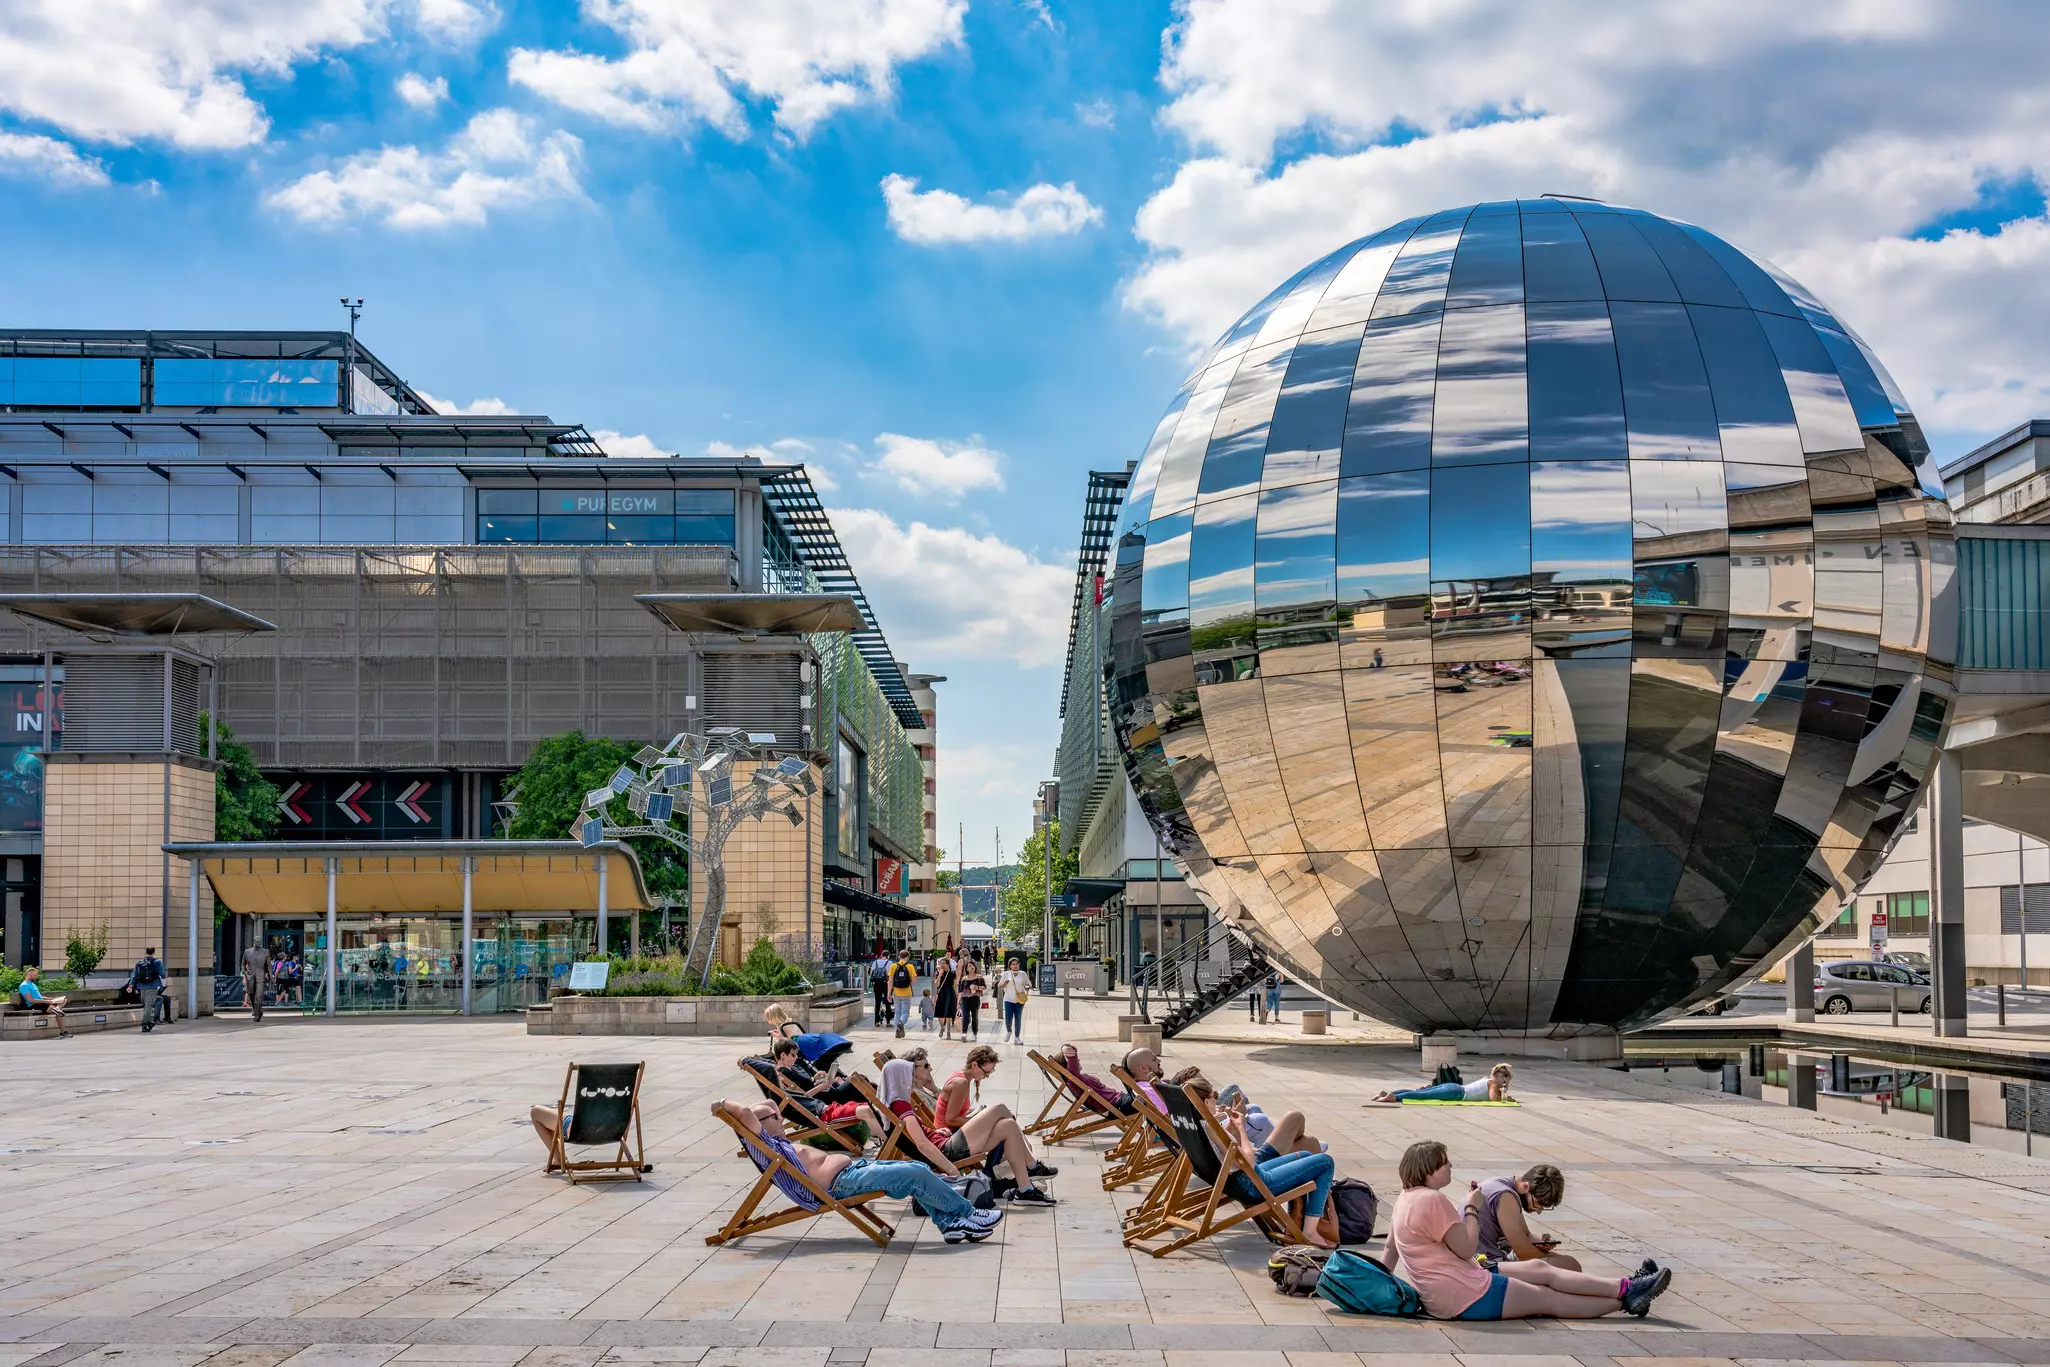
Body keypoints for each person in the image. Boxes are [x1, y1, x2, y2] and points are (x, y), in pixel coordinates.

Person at [1388, 1139, 1669, 1320]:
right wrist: (1473, 1208)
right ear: (1429, 1171)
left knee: (1542, 1272)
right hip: (1465, 1294)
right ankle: (1626, 1300)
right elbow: (1466, 1250)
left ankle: (1627, 1286)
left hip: (1452, 1289)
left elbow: (1391, 1249)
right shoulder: (1432, 1199)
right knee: (1548, 1299)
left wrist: (1382, 1285)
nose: (1450, 1166)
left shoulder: (1405, 1198)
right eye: (1445, 1163)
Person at [713, 1097, 1003, 1243]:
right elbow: (749, 1113)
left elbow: (764, 1105)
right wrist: (721, 1105)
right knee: (915, 1174)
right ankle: (965, 1213)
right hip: (841, 1185)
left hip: (853, 1172)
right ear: (760, 1124)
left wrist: (768, 1112)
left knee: (915, 1168)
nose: (779, 1115)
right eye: (774, 1116)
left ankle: (951, 1224)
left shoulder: (776, 1140)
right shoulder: (766, 1145)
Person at [1184, 1074, 1338, 1247]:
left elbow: (1231, 1157)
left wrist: (1232, 1133)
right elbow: (1247, 1161)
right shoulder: (1210, 1127)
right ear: (1205, 1103)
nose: (1217, 1101)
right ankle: (1310, 1233)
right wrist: (1241, 1129)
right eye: (1215, 1096)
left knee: (1306, 1155)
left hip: (1238, 1181)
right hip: (1251, 1184)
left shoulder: (1196, 1126)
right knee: (1325, 1162)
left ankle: (1296, 1223)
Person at [878, 1058, 1056, 1204]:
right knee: (999, 1109)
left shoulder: (897, 1104)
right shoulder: (900, 1104)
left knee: (1008, 1126)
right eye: (909, 1073)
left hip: (945, 1143)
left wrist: (937, 1132)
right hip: (948, 1150)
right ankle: (1032, 1167)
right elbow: (923, 1145)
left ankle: (1025, 1190)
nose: (914, 1077)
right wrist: (952, 1170)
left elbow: (921, 1136)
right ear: (900, 1077)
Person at [1469, 1164, 1585, 1270]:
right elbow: (1523, 1253)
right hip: (1484, 1264)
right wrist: (1550, 1257)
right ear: (1526, 1187)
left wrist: (1540, 1243)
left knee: (1565, 1263)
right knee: (1570, 1265)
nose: (1538, 1211)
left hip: (1485, 1257)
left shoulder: (1506, 1188)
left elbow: (1527, 1236)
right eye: (1538, 1204)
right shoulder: (1505, 1196)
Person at [763, 1003, 855, 1075]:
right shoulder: (790, 1023)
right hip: (806, 1039)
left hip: (801, 1045)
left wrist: (774, 1035)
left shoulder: (780, 1026)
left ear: (772, 1017)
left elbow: (784, 1041)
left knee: (819, 1064)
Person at [1373, 1063, 1513, 1104]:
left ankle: (1389, 1093)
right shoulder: (1494, 1083)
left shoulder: (1488, 1080)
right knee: (1422, 1096)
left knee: (1420, 1092)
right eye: (1506, 1079)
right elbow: (1495, 1099)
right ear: (1502, 1077)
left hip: (1454, 1087)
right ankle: (1394, 1097)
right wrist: (1506, 1092)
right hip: (1456, 1093)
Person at [1059, 1043, 1122, 1114]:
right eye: (1075, 1061)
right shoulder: (1074, 1078)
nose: (1078, 1060)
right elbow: (1072, 1053)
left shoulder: (1076, 1079)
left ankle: (1137, 1087)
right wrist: (1066, 1051)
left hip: (1118, 1101)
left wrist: (1063, 1048)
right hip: (1118, 1105)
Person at [14, 964, 69, 1037]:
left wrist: (50, 999)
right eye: (35, 975)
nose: (37, 977)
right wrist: (47, 1002)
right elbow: (31, 1000)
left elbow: (39, 996)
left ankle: (57, 1009)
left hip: (42, 1003)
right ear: (29, 975)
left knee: (64, 1000)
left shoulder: (32, 984)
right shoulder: (24, 985)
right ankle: (63, 1031)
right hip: (34, 1005)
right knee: (54, 1007)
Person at [126, 947, 169, 1032]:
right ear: (153, 953)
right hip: (153, 987)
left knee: (147, 1005)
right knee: (148, 1006)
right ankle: (145, 1024)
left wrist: (131, 986)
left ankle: (149, 1022)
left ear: (146, 952)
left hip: (142, 987)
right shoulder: (157, 962)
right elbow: (163, 975)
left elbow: (134, 975)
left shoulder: (139, 963)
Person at [997, 956, 1030, 1043]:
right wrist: (1005, 983)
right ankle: (1009, 1031)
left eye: (1017, 964)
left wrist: (1027, 987)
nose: (1015, 966)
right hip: (1008, 999)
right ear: (1010, 966)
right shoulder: (1006, 974)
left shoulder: (1023, 974)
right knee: (1008, 1018)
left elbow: (1028, 984)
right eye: (1013, 964)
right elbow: (1000, 986)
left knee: (1018, 1018)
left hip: (1020, 1000)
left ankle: (1017, 1037)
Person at [957, 953, 986, 1040]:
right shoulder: (964, 978)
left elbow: (984, 987)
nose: (971, 967)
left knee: (975, 1017)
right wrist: (958, 1002)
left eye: (972, 965)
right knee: (965, 1016)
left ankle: (974, 1033)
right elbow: (960, 991)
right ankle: (964, 1033)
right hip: (965, 1000)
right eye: (969, 966)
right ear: (966, 969)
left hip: (975, 999)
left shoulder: (979, 977)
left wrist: (977, 987)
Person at [889, 949, 916, 1038]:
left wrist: (889, 993)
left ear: (899, 957)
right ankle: (901, 1023)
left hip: (896, 992)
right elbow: (914, 981)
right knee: (905, 1012)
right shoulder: (910, 966)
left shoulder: (893, 966)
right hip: (906, 992)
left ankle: (897, 1030)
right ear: (907, 957)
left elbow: (890, 981)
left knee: (897, 1011)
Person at [241, 939, 270, 1023]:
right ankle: (257, 1010)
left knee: (259, 996)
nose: (259, 943)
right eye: (257, 941)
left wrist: (271, 977)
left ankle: (257, 1014)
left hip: (261, 976)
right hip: (250, 976)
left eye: (260, 941)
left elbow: (268, 966)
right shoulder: (247, 952)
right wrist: (243, 970)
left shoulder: (266, 952)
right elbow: (243, 963)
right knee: (251, 994)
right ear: (254, 942)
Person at [933, 949, 958, 1041]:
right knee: (940, 1013)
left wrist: (957, 996)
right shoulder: (938, 973)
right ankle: (942, 1028)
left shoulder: (952, 974)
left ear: (948, 964)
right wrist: (939, 975)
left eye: (944, 963)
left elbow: (955, 985)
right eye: (941, 963)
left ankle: (948, 1031)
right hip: (941, 993)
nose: (942, 965)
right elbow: (936, 984)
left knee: (948, 1013)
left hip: (950, 993)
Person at [870, 950, 892, 1027]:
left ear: (881, 955)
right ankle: (888, 1022)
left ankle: (877, 1021)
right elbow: (891, 974)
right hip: (886, 984)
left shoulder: (875, 962)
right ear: (888, 956)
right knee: (888, 1002)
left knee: (877, 1002)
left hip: (877, 984)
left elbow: (871, 972)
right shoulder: (889, 962)